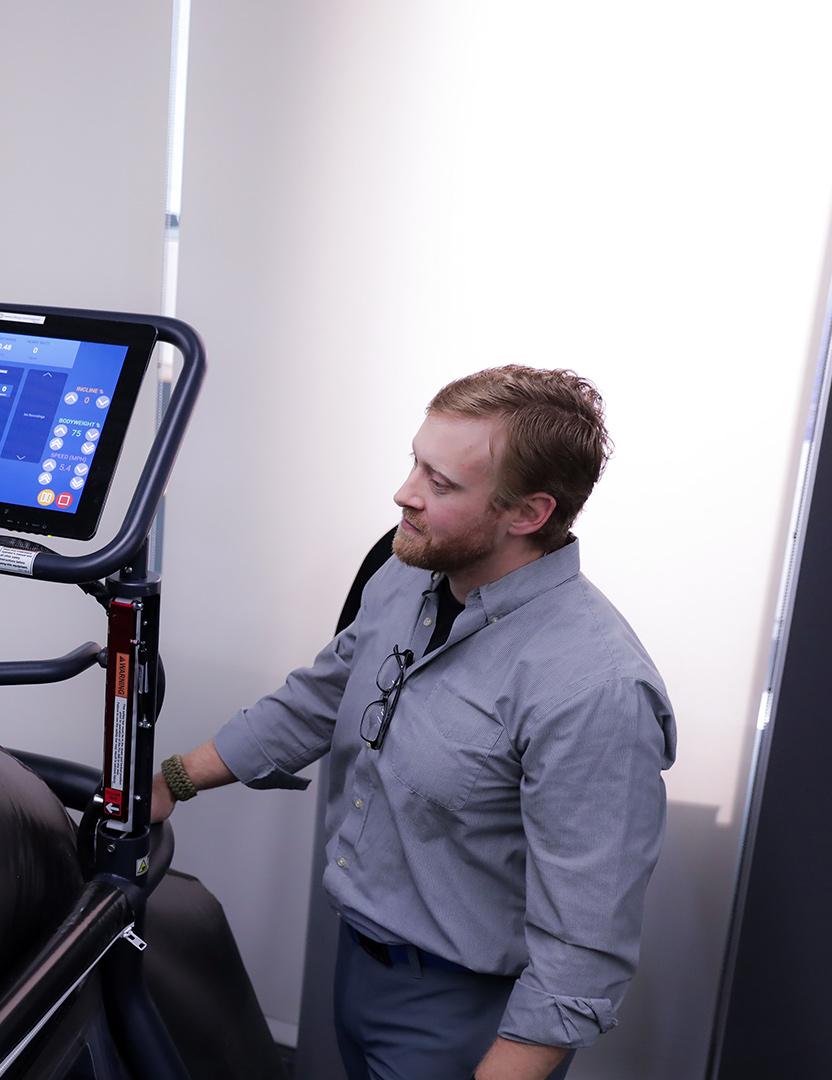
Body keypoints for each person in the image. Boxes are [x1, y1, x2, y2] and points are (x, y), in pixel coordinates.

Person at [150, 367, 675, 1080]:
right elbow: (323, 694)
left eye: (441, 482)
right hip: (360, 963)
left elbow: (584, 940)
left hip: (467, 1015)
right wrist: (174, 780)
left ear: (527, 514)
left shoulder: (594, 687)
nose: (405, 493)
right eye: (414, 463)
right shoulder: (408, 575)